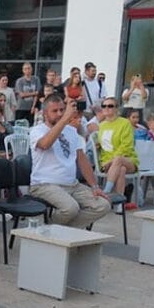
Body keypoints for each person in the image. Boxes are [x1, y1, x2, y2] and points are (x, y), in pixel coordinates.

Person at [27, 95, 110, 229]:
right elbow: (45, 144)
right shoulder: (37, 130)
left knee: (103, 205)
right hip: (44, 184)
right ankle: (53, 231)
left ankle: (58, 229)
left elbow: (82, 160)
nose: (59, 114)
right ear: (45, 113)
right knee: (71, 208)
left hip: (72, 184)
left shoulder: (71, 131)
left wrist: (94, 186)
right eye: (55, 111)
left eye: (62, 110)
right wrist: (65, 119)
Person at [96, 96, 138, 205]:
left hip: (127, 158)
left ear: (116, 109)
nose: (106, 108)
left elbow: (127, 146)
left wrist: (112, 161)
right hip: (109, 161)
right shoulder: (101, 125)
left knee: (119, 160)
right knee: (121, 170)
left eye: (110, 106)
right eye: (104, 106)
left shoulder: (125, 123)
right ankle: (119, 204)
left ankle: (106, 191)